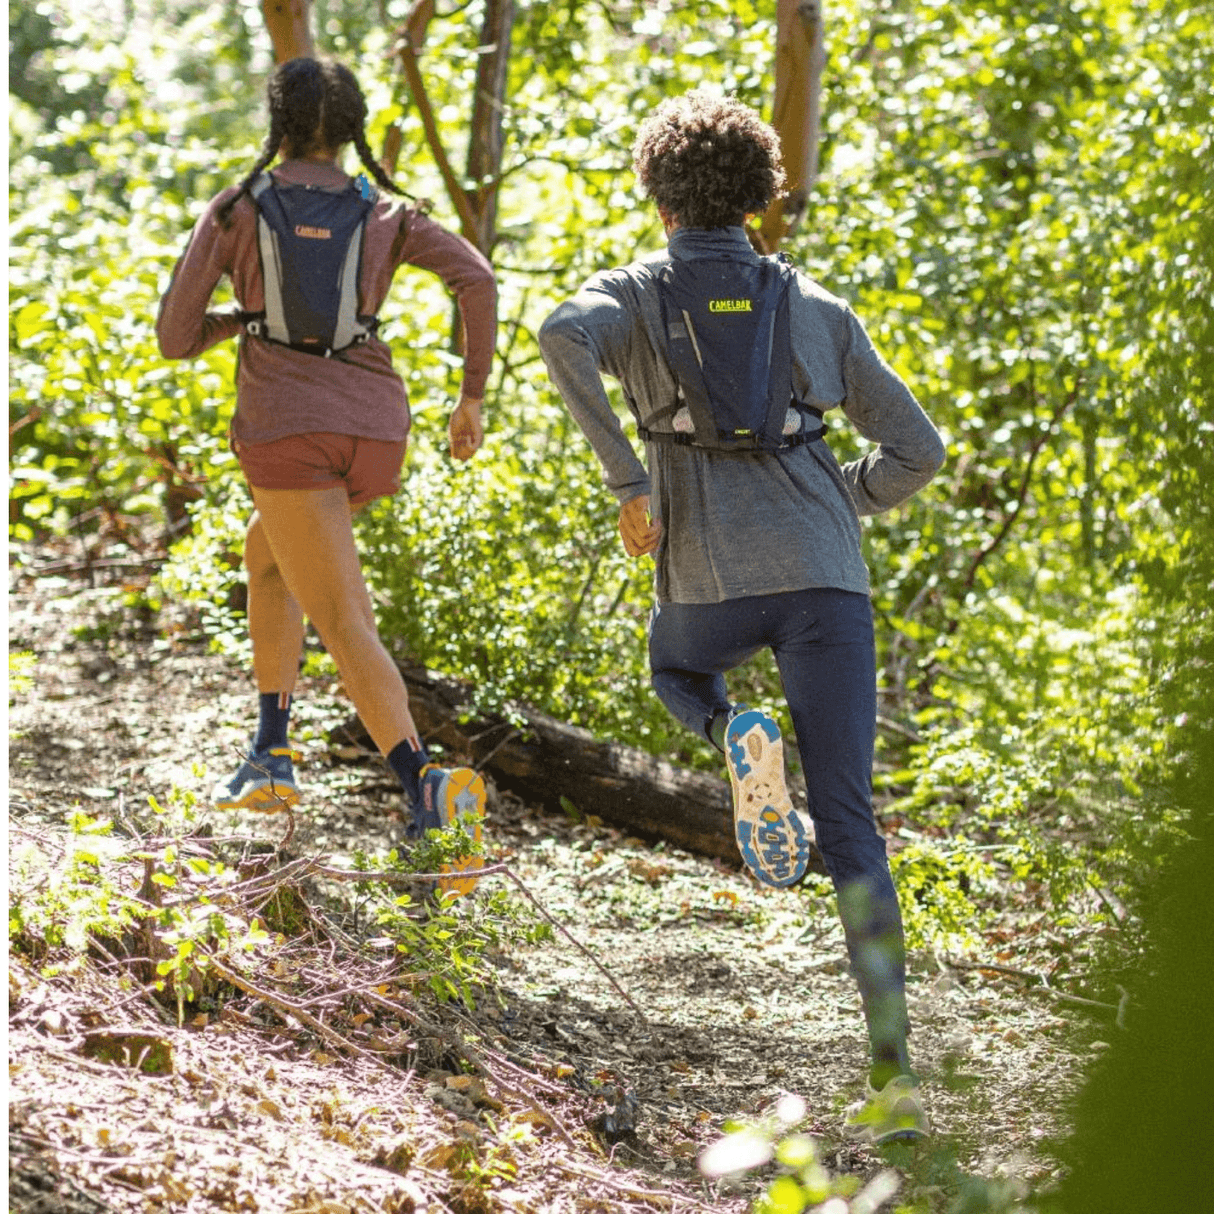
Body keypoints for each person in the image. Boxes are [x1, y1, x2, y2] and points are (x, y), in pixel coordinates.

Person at [538, 90, 945, 1141]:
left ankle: (731, 735)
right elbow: (919, 452)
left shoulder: (630, 293)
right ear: (764, 200)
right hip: (823, 580)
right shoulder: (815, 307)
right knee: (853, 829)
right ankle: (894, 1077)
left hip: (707, 586)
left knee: (674, 672)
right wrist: (836, 495)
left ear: (658, 199)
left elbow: (556, 335)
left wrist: (631, 480)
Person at [157, 58, 496, 887]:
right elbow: (476, 277)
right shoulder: (386, 211)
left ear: (277, 122)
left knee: (343, 619)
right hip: (376, 431)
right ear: (351, 129)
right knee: (267, 555)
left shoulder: (238, 209)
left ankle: (426, 787)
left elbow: (173, 335)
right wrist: (471, 397)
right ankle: (270, 756)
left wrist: (240, 321)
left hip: (288, 431)